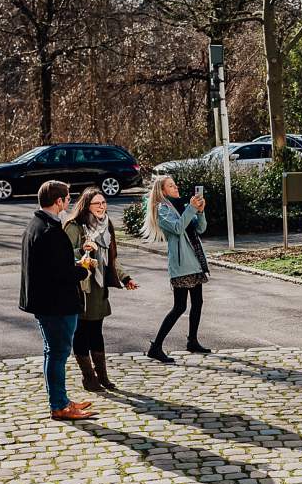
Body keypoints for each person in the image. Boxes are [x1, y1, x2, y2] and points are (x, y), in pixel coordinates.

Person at [19, 180, 95, 420]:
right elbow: (60, 273)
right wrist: (82, 269)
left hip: (44, 301)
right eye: (68, 198)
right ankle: (59, 405)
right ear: (58, 201)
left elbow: (51, 265)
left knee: (52, 352)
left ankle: (60, 399)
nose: (69, 202)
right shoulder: (50, 231)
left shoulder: (36, 224)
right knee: (57, 353)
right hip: (56, 304)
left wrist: (73, 265)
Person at [63, 187, 139, 391]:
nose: (102, 207)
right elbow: (64, 255)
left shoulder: (107, 225)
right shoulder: (75, 226)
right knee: (81, 332)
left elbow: (111, 259)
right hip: (81, 286)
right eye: (97, 203)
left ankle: (102, 376)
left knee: (96, 331)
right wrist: (82, 250)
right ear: (87, 205)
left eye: (104, 203)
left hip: (99, 287)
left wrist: (126, 278)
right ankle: (89, 378)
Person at [144, 176, 210, 363]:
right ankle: (156, 347)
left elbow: (201, 229)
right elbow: (178, 228)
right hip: (182, 265)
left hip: (195, 261)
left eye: (175, 185)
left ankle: (192, 341)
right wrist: (191, 208)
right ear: (163, 191)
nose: (176, 188)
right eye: (171, 186)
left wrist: (200, 211)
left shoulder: (180, 206)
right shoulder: (162, 209)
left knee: (198, 303)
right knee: (179, 307)